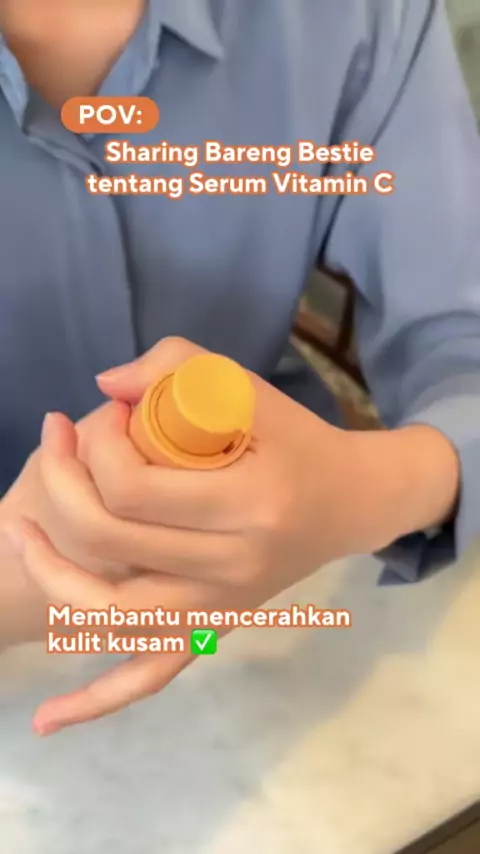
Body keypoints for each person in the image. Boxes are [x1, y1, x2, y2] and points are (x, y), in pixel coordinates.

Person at [0, 0, 477, 735]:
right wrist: (17, 584)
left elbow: (463, 335)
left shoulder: (360, 16)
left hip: (270, 603)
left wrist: (360, 491)